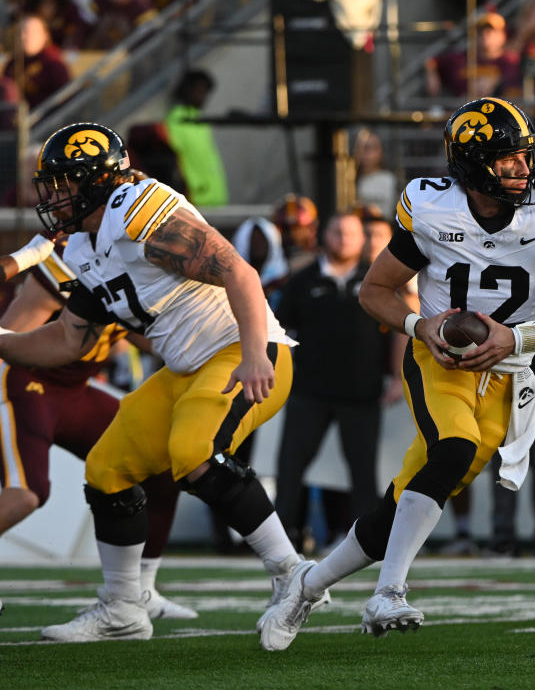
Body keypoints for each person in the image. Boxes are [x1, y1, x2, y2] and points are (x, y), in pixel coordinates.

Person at [258, 97, 535, 650]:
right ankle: (388, 593)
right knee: (455, 450)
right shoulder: (432, 207)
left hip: (510, 371)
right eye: (508, 159)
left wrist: (516, 338)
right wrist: (424, 328)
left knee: (409, 497)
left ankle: (308, 583)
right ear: (472, 166)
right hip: (441, 362)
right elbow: (375, 291)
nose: (524, 169)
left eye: (524, 157)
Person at [0, 123, 299, 643]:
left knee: (192, 450)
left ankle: (293, 575)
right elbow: (68, 341)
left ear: (97, 180)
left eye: (64, 182)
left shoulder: (134, 210)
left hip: (238, 349)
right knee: (107, 468)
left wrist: (254, 353)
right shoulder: (84, 247)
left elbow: (239, 272)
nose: (54, 195)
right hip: (185, 369)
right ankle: (123, 607)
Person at [0, 233, 196, 621]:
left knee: (162, 467)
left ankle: (141, 590)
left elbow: (157, 339)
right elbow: (8, 340)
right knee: (26, 493)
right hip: (23, 384)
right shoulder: (67, 261)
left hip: (73, 391)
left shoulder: (134, 267)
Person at [272, 210, 392, 551]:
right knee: (291, 466)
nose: (344, 239)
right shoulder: (302, 280)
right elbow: (280, 332)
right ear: (324, 235)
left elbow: (400, 327)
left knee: (363, 473)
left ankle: (367, 545)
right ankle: (281, 542)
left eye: (351, 233)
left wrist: (397, 377)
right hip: (310, 390)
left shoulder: (377, 280)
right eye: (337, 231)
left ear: (362, 239)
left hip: (362, 393)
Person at [164, 69, 229, 207]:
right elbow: (175, 159)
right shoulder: (178, 119)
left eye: (205, 92)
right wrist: (184, 191)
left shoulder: (198, 118)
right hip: (196, 201)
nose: (203, 96)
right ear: (187, 90)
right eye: (199, 90)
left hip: (215, 198)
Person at [425, 12, 522, 98]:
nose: (485, 35)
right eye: (480, 31)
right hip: (461, 114)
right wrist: (432, 76)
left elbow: (515, 93)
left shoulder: (511, 62)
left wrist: (496, 85)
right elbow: (432, 61)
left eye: (491, 31)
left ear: (503, 36)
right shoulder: (459, 59)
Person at [2, 14, 70, 110]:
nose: (23, 37)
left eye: (29, 32)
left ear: (45, 35)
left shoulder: (53, 62)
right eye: (20, 32)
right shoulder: (13, 63)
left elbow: (65, 97)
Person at [16, 0, 89, 50]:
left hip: (63, 55)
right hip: (32, 55)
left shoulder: (70, 9)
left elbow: (77, 32)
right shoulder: (28, 8)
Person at [87, 0, 156, 51]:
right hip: (99, 57)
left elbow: (149, 44)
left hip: (132, 59)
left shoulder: (143, 10)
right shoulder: (99, 3)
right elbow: (86, 32)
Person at [353, 129, 397, 220]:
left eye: (370, 148)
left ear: (381, 151)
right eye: (361, 148)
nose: (365, 153)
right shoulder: (347, 180)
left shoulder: (389, 180)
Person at [271, 193, 319, 276]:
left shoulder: (321, 262)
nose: (291, 234)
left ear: (312, 228)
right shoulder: (268, 261)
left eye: (297, 228)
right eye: (286, 229)